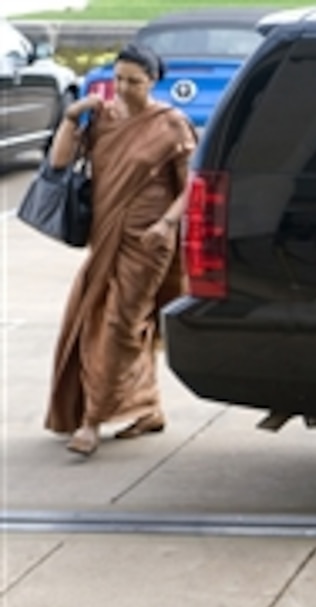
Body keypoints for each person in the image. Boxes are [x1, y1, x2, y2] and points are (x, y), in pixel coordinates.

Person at [45, 43, 196, 457]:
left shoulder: (171, 125)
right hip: (104, 235)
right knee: (96, 318)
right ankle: (146, 407)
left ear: (153, 82)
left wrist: (166, 224)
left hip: (148, 241)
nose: (124, 88)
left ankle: (93, 421)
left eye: (134, 81)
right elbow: (59, 165)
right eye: (119, 79)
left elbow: (190, 191)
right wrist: (73, 117)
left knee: (118, 326)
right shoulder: (103, 117)